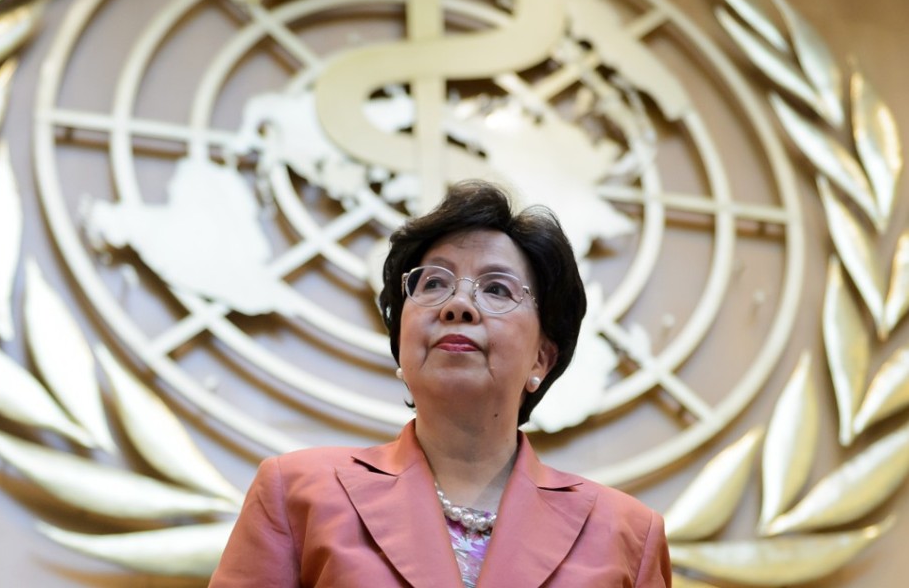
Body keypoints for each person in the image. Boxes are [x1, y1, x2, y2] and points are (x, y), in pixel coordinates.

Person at [208, 180, 671, 587]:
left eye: (496, 289)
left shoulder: (626, 533)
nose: (458, 305)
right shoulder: (297, 493)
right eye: (433, 283)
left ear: (541, 358)